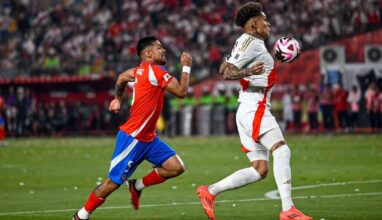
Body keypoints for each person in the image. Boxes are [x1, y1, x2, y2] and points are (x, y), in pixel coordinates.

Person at [196, 2, 312, 220]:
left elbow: (223, 66)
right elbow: (227, 73)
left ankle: (209, 191)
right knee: (282, 150)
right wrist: (248, 70)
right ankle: (288, 211)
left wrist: (245, 69)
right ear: (255, 23)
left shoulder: (246, 42)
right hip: (255, 106)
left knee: (259, 169)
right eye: (265, 21)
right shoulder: (254, 43)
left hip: (247, 108)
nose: (268, 25)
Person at [73, 36, 192, 220]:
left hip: (149, 139)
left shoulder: (138, 72)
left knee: (176, 167)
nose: (164, 50)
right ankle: (81, 215)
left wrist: (118, 99)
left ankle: (136, 186)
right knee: (111, 184)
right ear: (148, 53)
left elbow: (121, 78)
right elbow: (182, 92)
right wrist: (186, 66)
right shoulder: (156, 71)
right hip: (133, 138)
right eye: (159, 47)